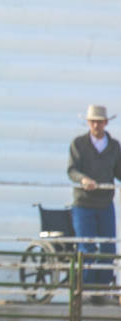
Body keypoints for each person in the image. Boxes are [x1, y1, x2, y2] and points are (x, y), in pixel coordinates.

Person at [68, 104, 121, 303]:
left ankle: (102, 289)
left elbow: (118, 171)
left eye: (99, 121)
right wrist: (83, 180)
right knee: (87, 247)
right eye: (93, 121)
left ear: (106, 123)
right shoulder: (79, 144)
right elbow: (72, 170)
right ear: (88, 123)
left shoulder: (114, 145)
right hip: (84, 203)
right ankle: (85, 289)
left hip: (105, 202)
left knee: (108, 247)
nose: (96, 125)